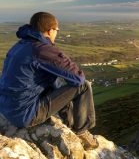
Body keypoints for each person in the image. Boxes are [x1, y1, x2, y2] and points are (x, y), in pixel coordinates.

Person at [0, 12, 98, 150]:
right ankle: (82, 131)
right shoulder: (42, 49)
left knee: (54, 80)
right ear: (50, 30)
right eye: (57, 30)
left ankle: (68, 123)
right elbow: (78, 78)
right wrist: (59, 56)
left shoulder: (21, 44)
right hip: (24, 114)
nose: (56, 34)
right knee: (83, 86)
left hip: (6, 107)